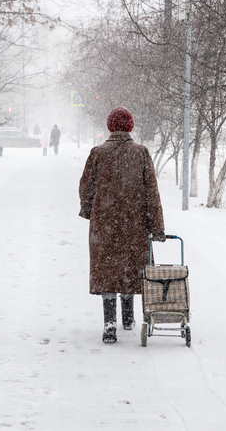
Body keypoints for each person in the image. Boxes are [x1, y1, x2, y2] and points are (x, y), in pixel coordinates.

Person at [78, 106, 166, 344]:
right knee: (129, 267)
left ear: (109, 126)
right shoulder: (141, 153)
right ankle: (128, 318)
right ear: (130, 126)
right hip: (134, 222)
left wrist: (89, 210)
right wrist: (156, 226)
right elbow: (151, 193)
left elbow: (85, 186)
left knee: (107, 269)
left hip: (104, 222)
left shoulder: (97, 153)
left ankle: (109, 324)